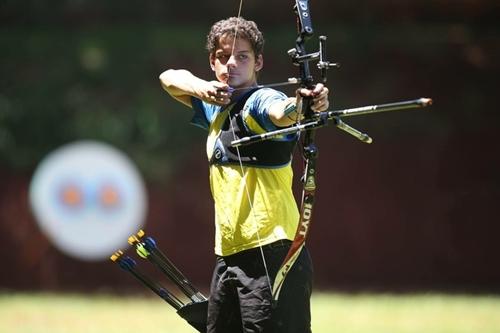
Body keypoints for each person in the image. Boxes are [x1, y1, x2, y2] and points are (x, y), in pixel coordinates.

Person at [159, 16, 329, 333]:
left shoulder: (259, 101)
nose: (232, 64)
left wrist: (304, 105)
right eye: (223, 57)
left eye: (243, 56)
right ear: (212, 62)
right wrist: (203, 89)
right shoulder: (215, 106)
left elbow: (280, 112)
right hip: (229, 255)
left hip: (273, 254)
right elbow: (168, 78)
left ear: (259, 62)